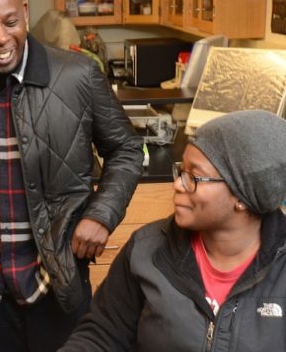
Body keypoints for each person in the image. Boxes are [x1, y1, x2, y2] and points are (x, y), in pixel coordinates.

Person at [0, 0, 144, 352]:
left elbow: (127, 149)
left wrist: (100, 215)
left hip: (58, 281)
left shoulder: (78, 76)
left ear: (25, 12)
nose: (0, 38)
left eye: (11, 21)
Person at [60, 110, 286, 352]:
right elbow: (101, 335)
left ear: (242, 196)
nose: (178, 185)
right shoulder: (147, 249)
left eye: (194, 177)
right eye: (181, 171)